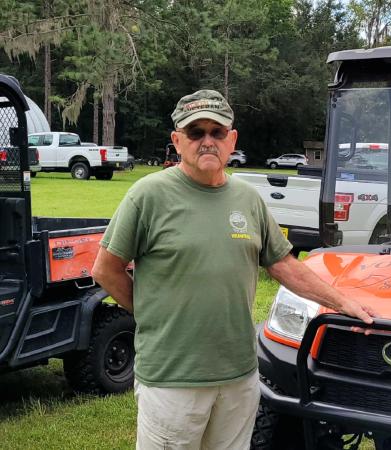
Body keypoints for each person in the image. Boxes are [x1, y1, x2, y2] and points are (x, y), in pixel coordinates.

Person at [92, 89, 376, 450]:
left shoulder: (248, 198)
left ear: (232, 140)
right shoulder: (148, 196)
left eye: (217, 132)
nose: (207, 141)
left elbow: (284, 265)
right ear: (177, 141)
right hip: (172, 378)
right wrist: (150, 312)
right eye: (196, 133)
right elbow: (106, 268)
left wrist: (342, 302)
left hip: (238, 376)